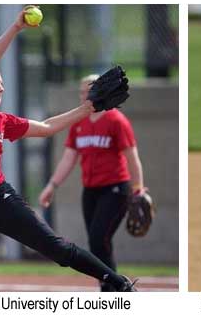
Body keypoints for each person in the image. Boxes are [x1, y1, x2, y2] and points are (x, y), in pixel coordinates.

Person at [0, 7, 136, 292]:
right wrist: (15, 28)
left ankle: (117, 282)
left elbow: (46, 127)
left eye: (2, 83)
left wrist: (87, 108)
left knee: (57, 249)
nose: (1, 88)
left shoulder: (1, 120)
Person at [38, 75, 146, 291]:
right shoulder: (79, 122)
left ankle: (113, 289)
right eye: (81, 92)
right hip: (90, 191)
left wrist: (138, 189)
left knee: (99, 240)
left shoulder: (116, 120)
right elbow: (69, 157)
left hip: (116, 189)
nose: (84, 95)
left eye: (88, 91)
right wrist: (52, 185)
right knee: (98, 244)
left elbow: (132, 157)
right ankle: (113, 287)